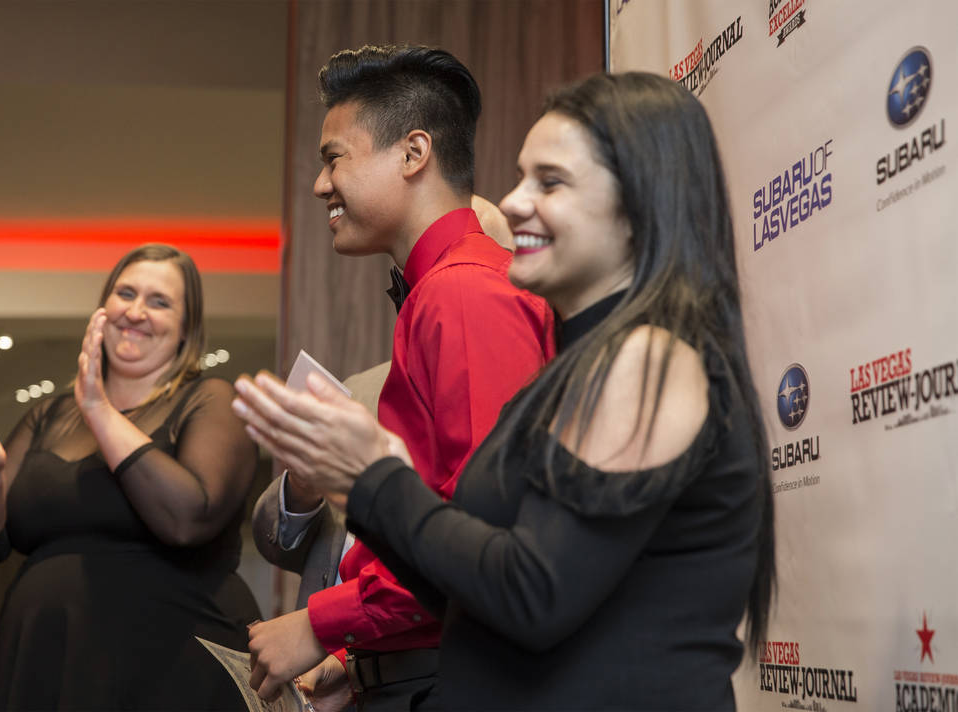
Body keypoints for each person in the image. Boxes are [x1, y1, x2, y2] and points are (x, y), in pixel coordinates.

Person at [233, 71, 776, 711]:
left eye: (549, 182)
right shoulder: (578, 370)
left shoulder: (647, 359)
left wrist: (371, 475)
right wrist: (354, 650)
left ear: (638, 204)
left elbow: (530, 594)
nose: (512, 203)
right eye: (521, 177)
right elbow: (475, 586)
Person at [235, 45, 555, 711]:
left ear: (413, 154)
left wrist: (319, 624)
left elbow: (478, 539)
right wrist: (357, 662)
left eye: (334, 158)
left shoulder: (463, 294)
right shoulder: (440, 292)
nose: (321, 184)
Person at [0, 243, 262, 711]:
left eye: (159, 301)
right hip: (46, 661)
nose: (136, 311)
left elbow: (187, 519)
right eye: (125, 293)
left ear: (186, 330)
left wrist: (97, 405)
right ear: (103, 306)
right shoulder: (49, 416)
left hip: (172, 666)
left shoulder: (210, 400)